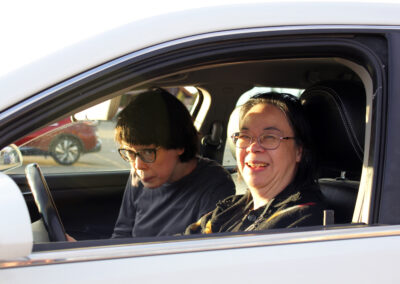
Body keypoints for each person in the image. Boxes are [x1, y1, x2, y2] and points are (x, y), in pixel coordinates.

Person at [185, 92, 326, 234]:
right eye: (245, 136)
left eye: (270, 137)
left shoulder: (304, 223)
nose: (253, 147)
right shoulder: (229, 209)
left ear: (299, 151)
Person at [112, 88, 235, 238]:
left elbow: (203, 252)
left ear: (179, 145)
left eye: (148, 152)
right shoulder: (138, 177)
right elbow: (122, 235)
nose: (137, 165)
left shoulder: (215, 184)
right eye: (130, 153)